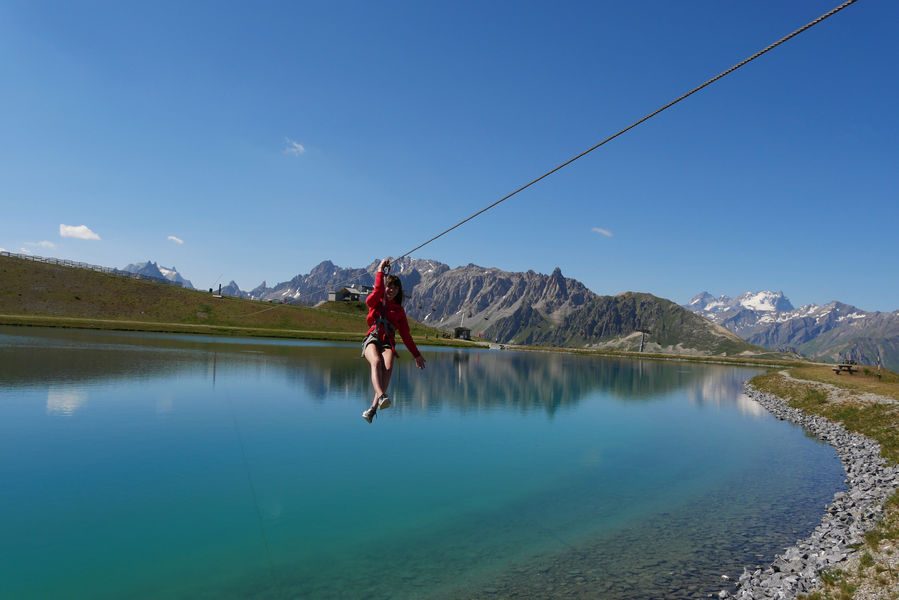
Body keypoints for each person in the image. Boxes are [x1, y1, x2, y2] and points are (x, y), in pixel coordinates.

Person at [361, 258, 426, 423]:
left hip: (387, 342)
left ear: (399, 291)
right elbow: (375, 293)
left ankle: (372, 409)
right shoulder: (375, 301)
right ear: (385, 286)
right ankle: (382, 396)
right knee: (376, 362)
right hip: (372, 338)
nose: (391, 290)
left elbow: (406, 335)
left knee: (388, 368)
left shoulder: (399, 311)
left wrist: (416, 355)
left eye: (395, 288)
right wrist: (380, 270)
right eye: (389, 286)